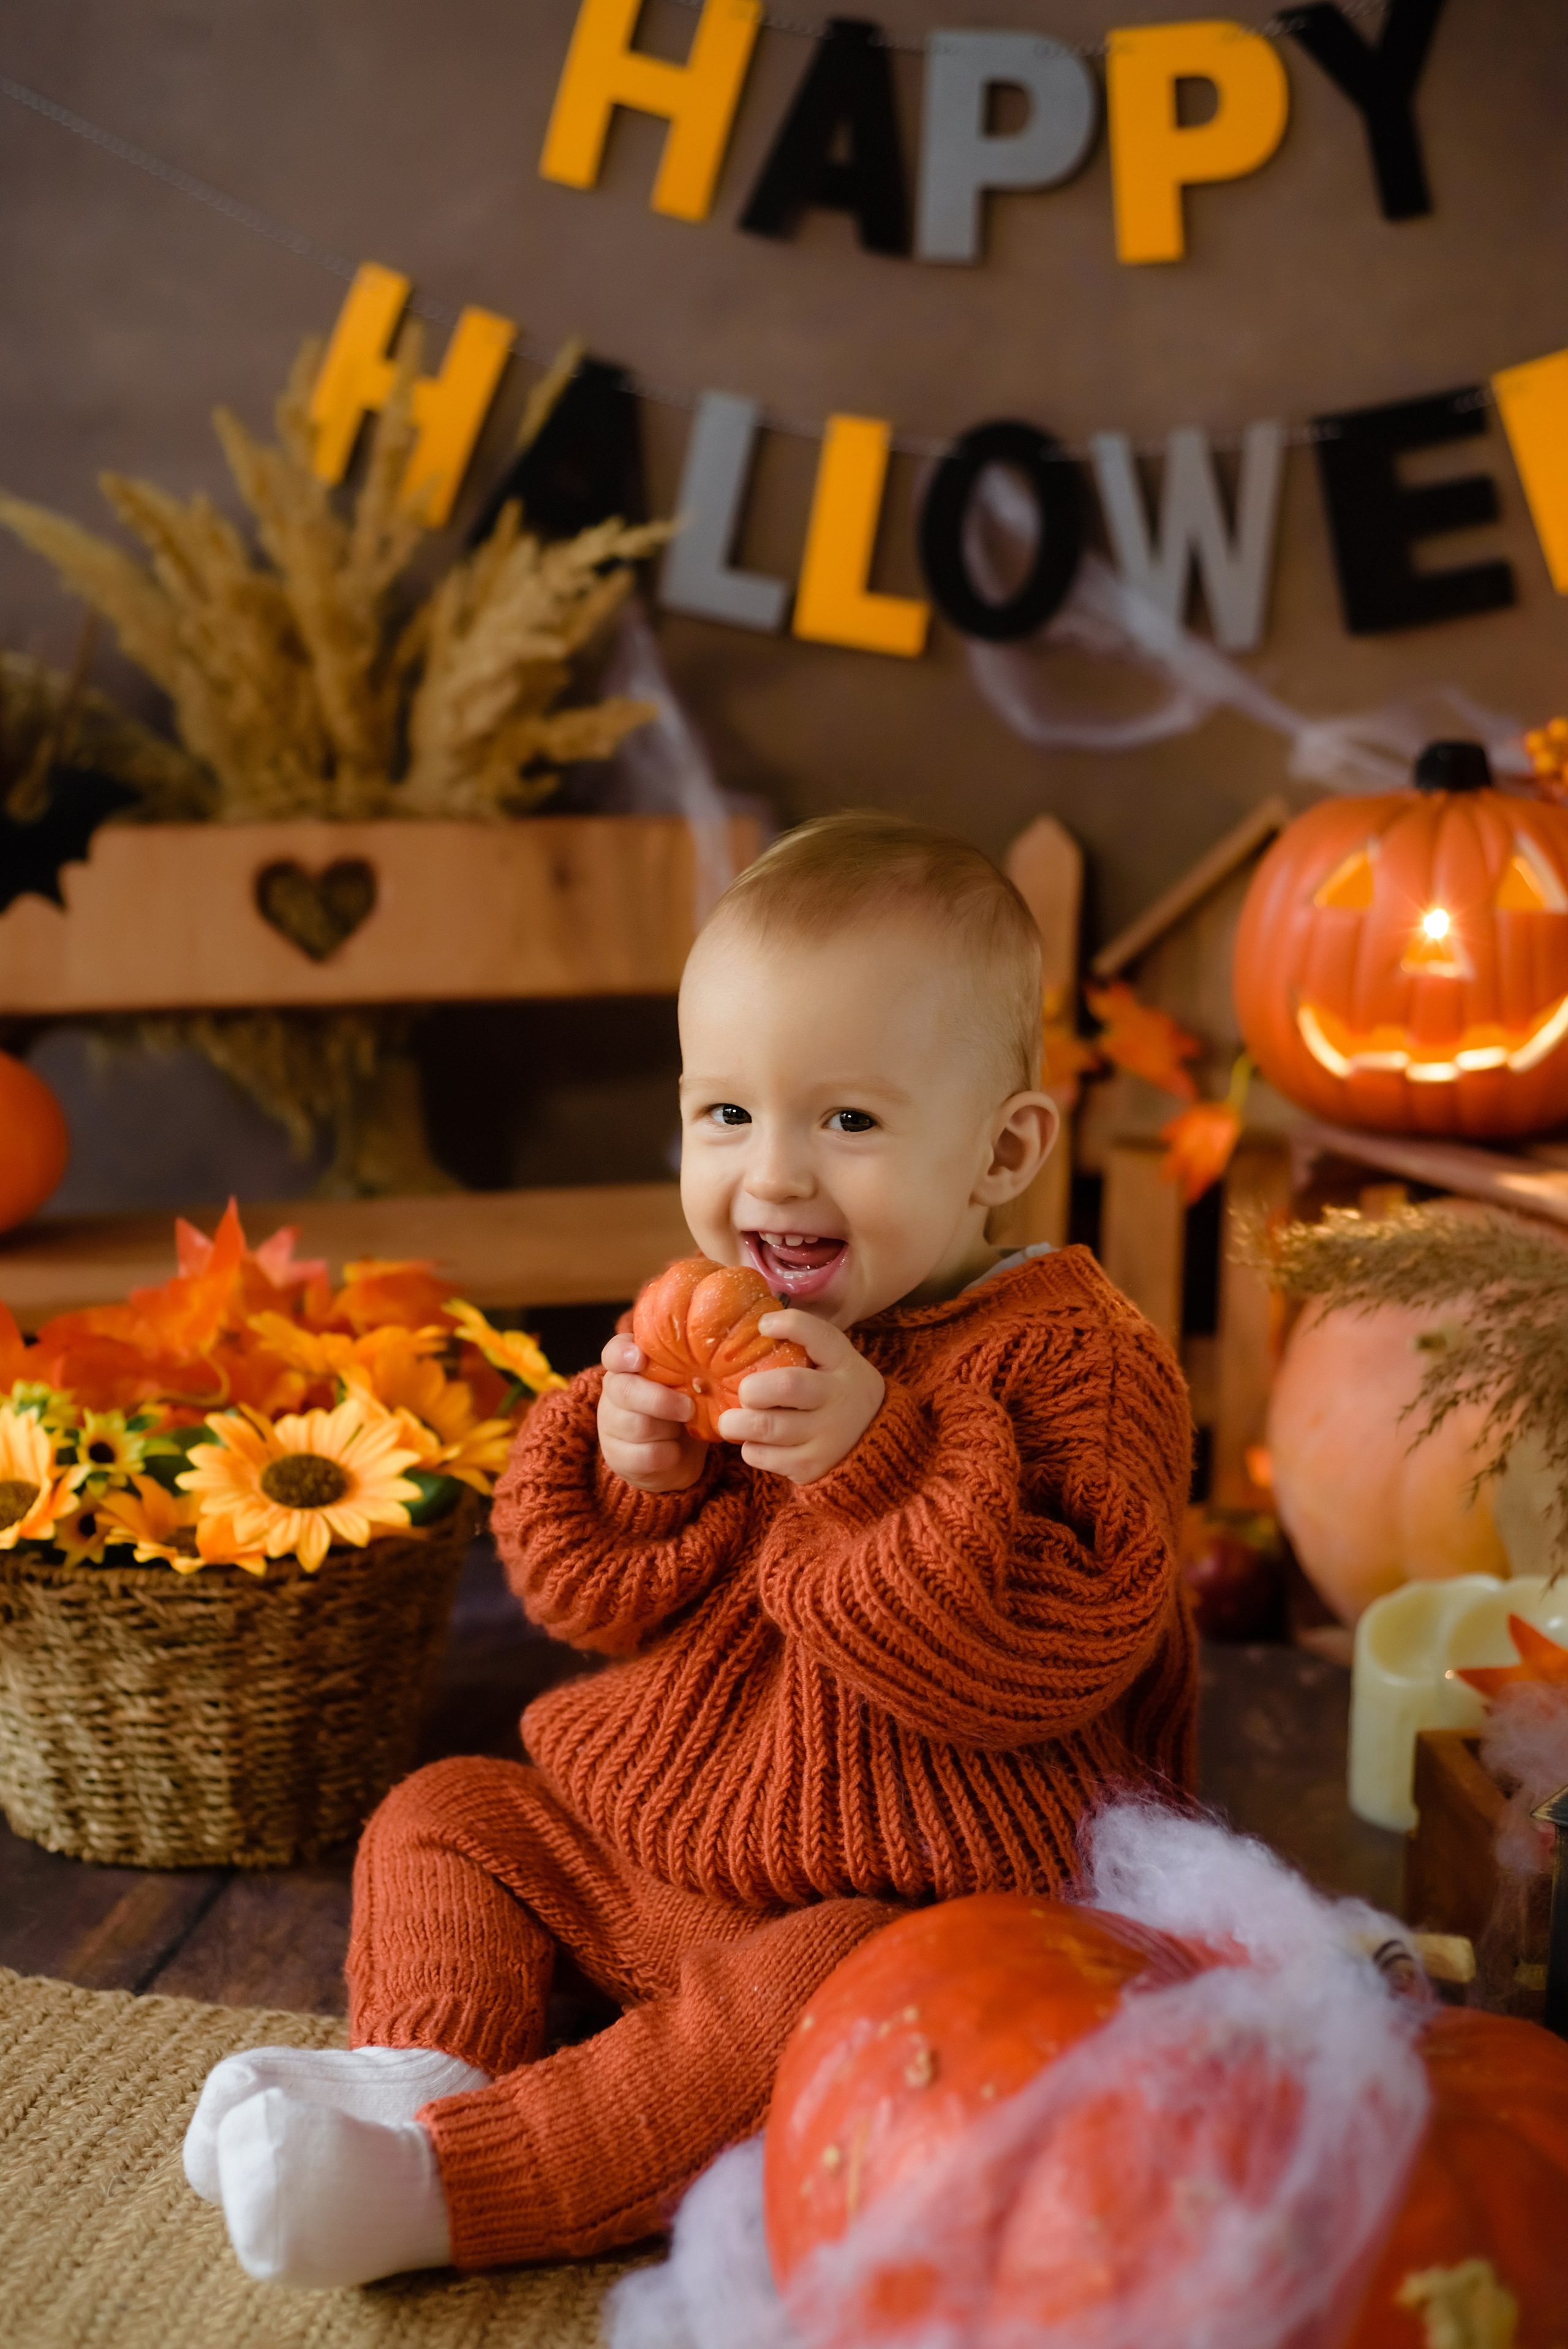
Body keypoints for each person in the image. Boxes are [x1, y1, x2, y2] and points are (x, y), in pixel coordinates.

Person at [183, 810, 1196, 2288]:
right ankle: (420, 2075)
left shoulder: (1076, 1366)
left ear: (1001, 1148)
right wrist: (630, 1473)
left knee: (815, 1998)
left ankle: (453, 2192)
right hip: (669, 1841)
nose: (771, 1178)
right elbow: (583, 1605)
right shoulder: (724, 1317)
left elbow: (1042, 1664)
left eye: (845, 1121)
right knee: (450, 1810)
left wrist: (877, 1464)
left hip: (916, 1894)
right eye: (724, 1115)